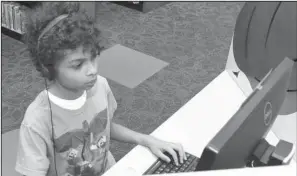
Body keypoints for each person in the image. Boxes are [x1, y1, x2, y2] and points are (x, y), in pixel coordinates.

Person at [15, 2, 186, 176]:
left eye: (94, 57)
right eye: (78, 65)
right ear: (48, 69)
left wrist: (145, 139)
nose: (93, 70)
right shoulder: (36, 121)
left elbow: (104, 128)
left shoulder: (100, 85)